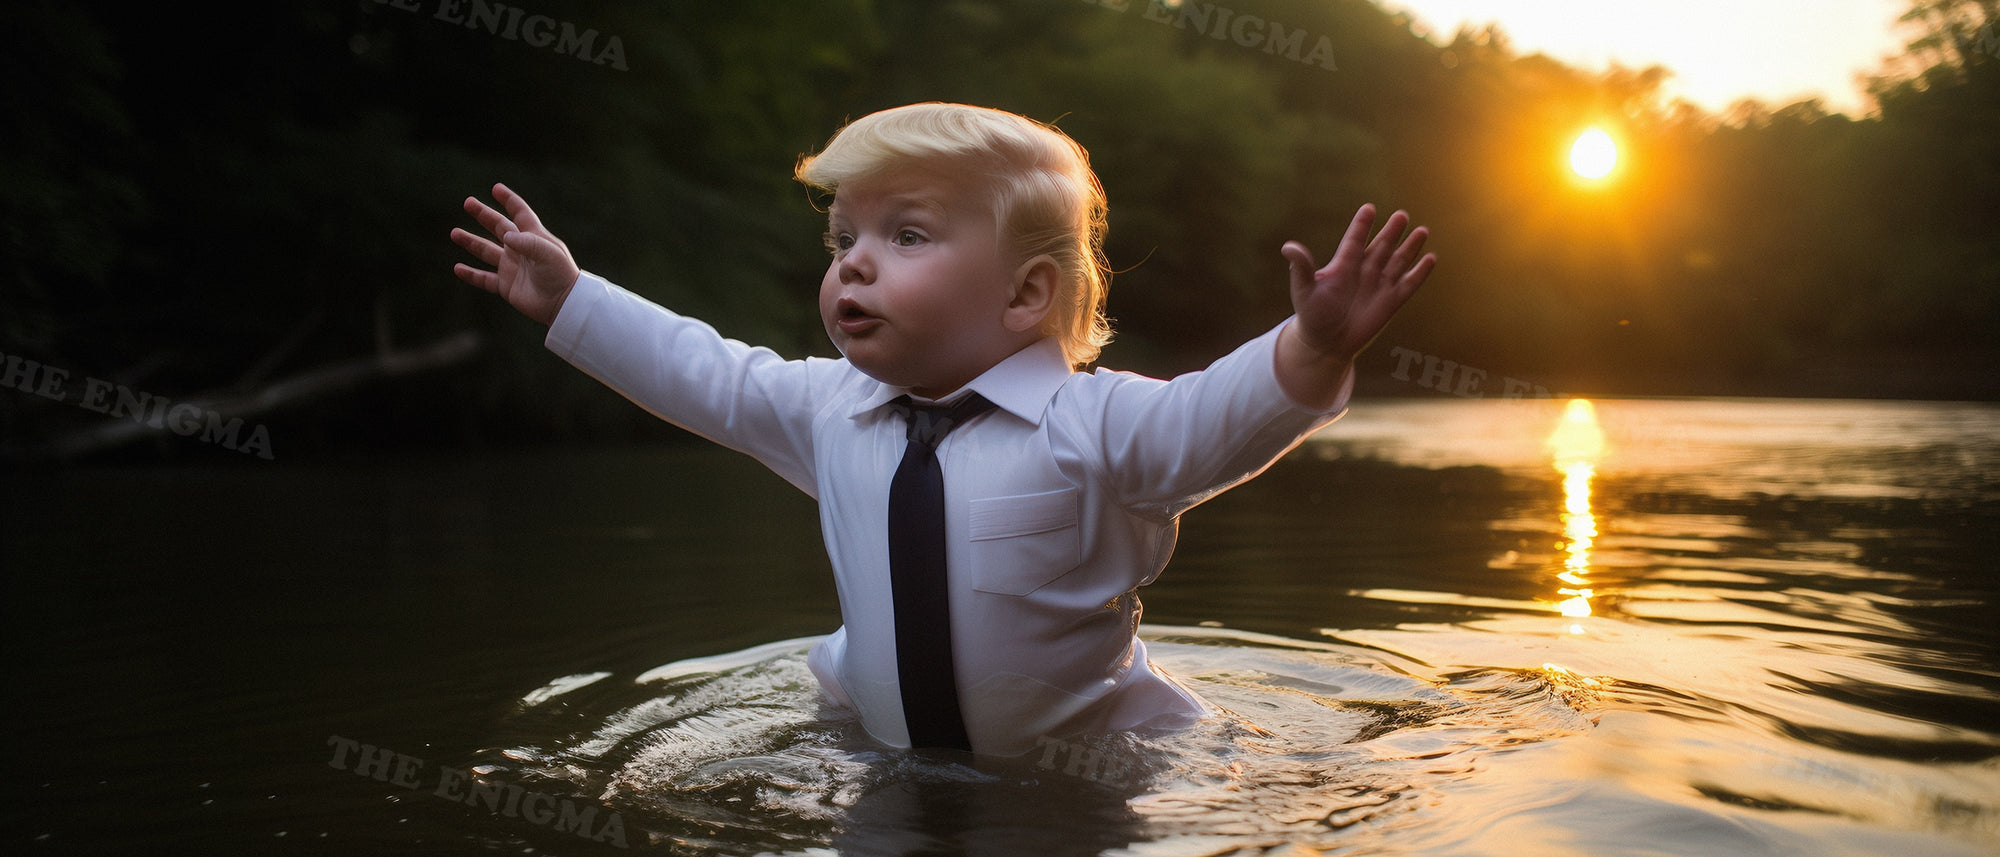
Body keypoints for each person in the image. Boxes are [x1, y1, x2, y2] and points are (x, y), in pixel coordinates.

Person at [450, 102, 1435, 757]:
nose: (855, 264)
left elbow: (1220, 414)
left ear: (1023, 293)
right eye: (843, 238)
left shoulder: (1094, 429)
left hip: (1079, 771)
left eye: (905, 235)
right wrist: (573, 300)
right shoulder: (825, 409)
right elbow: (703, 371)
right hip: (878, 755)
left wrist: (1310, 346)